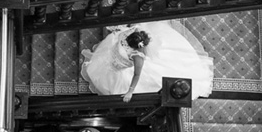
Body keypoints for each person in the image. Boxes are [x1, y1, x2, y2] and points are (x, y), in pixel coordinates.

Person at [81, 20, 214, 102]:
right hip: (112, 57)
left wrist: (130, 91)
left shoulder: (138, 56)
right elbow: (125, 33)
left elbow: (137, 75)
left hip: (122, 70)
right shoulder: (131, 32)